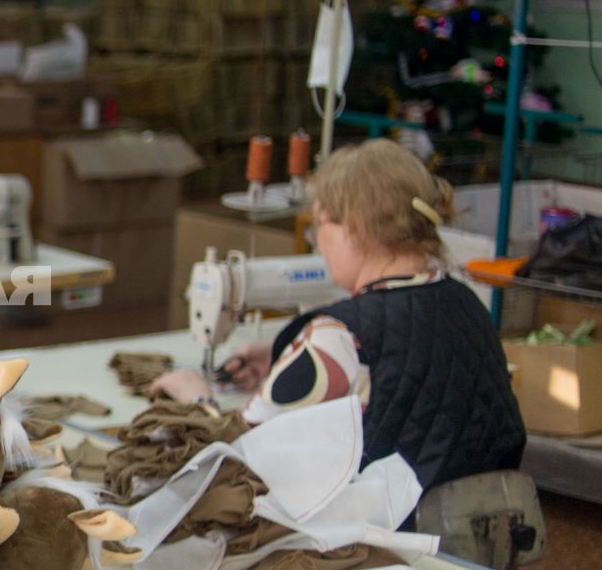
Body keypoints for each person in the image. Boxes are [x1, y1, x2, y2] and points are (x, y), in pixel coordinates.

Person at [151, 139, 525, 503]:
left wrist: (195, 398)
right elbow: (415, 366)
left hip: (374, 546)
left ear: (356, 226)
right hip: (469, 542)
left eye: (320, 224)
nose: (316, 241)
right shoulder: (465, 302)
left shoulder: (341, 337)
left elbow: (238, 454)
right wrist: (285, 354)